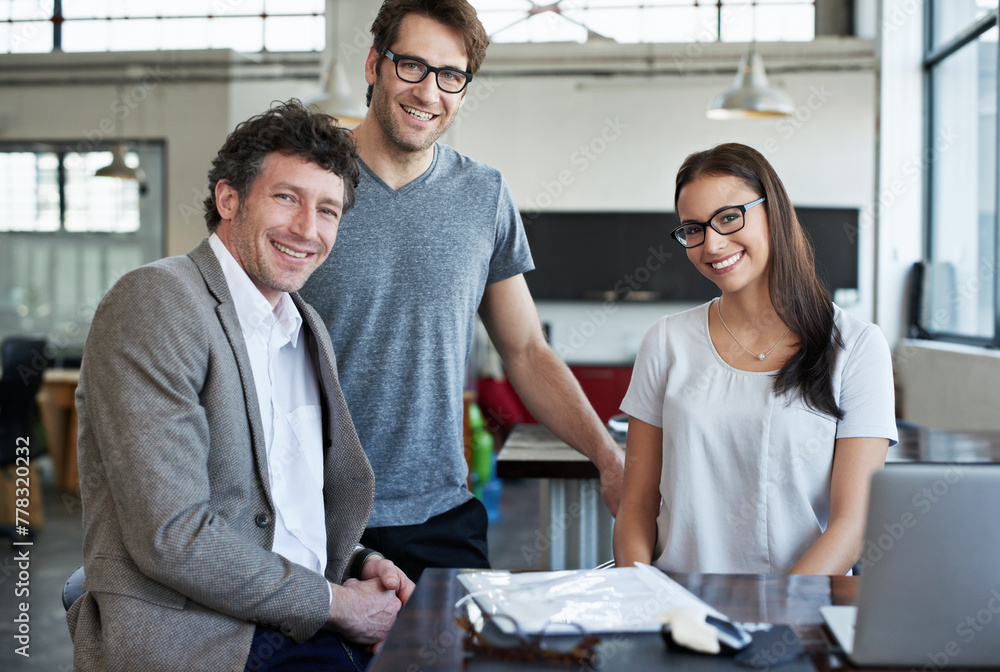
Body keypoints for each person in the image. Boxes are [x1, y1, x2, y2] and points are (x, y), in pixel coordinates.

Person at [67, 100, 414, 672]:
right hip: (197, 641)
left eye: (328, 210)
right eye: (287, 198)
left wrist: (353, 563)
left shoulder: (305, 326)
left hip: (291, 626)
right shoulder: (157, 302)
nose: (308, 230)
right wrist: (337, 605)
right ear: (229, 199)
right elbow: (171, 534)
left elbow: (267, 509)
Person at [299, 0, 625, 581]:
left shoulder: (484, 195)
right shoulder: (306, 186)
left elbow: (525, 350)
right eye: (411, 67)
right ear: (374, 64)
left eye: (450, 75)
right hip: (311, 514)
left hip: (440, 517)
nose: (429, 92)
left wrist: (607, 457)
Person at [612, 143, 898, 575]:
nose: (712, 243)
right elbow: (636, 506)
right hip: (677, 610)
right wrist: (645, 598)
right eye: (693, 229)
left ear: (773, 211)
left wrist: (783, 615)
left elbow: (852, 525)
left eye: (729, 217)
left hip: (799, 614)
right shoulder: (666, 341)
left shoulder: (856, 346)